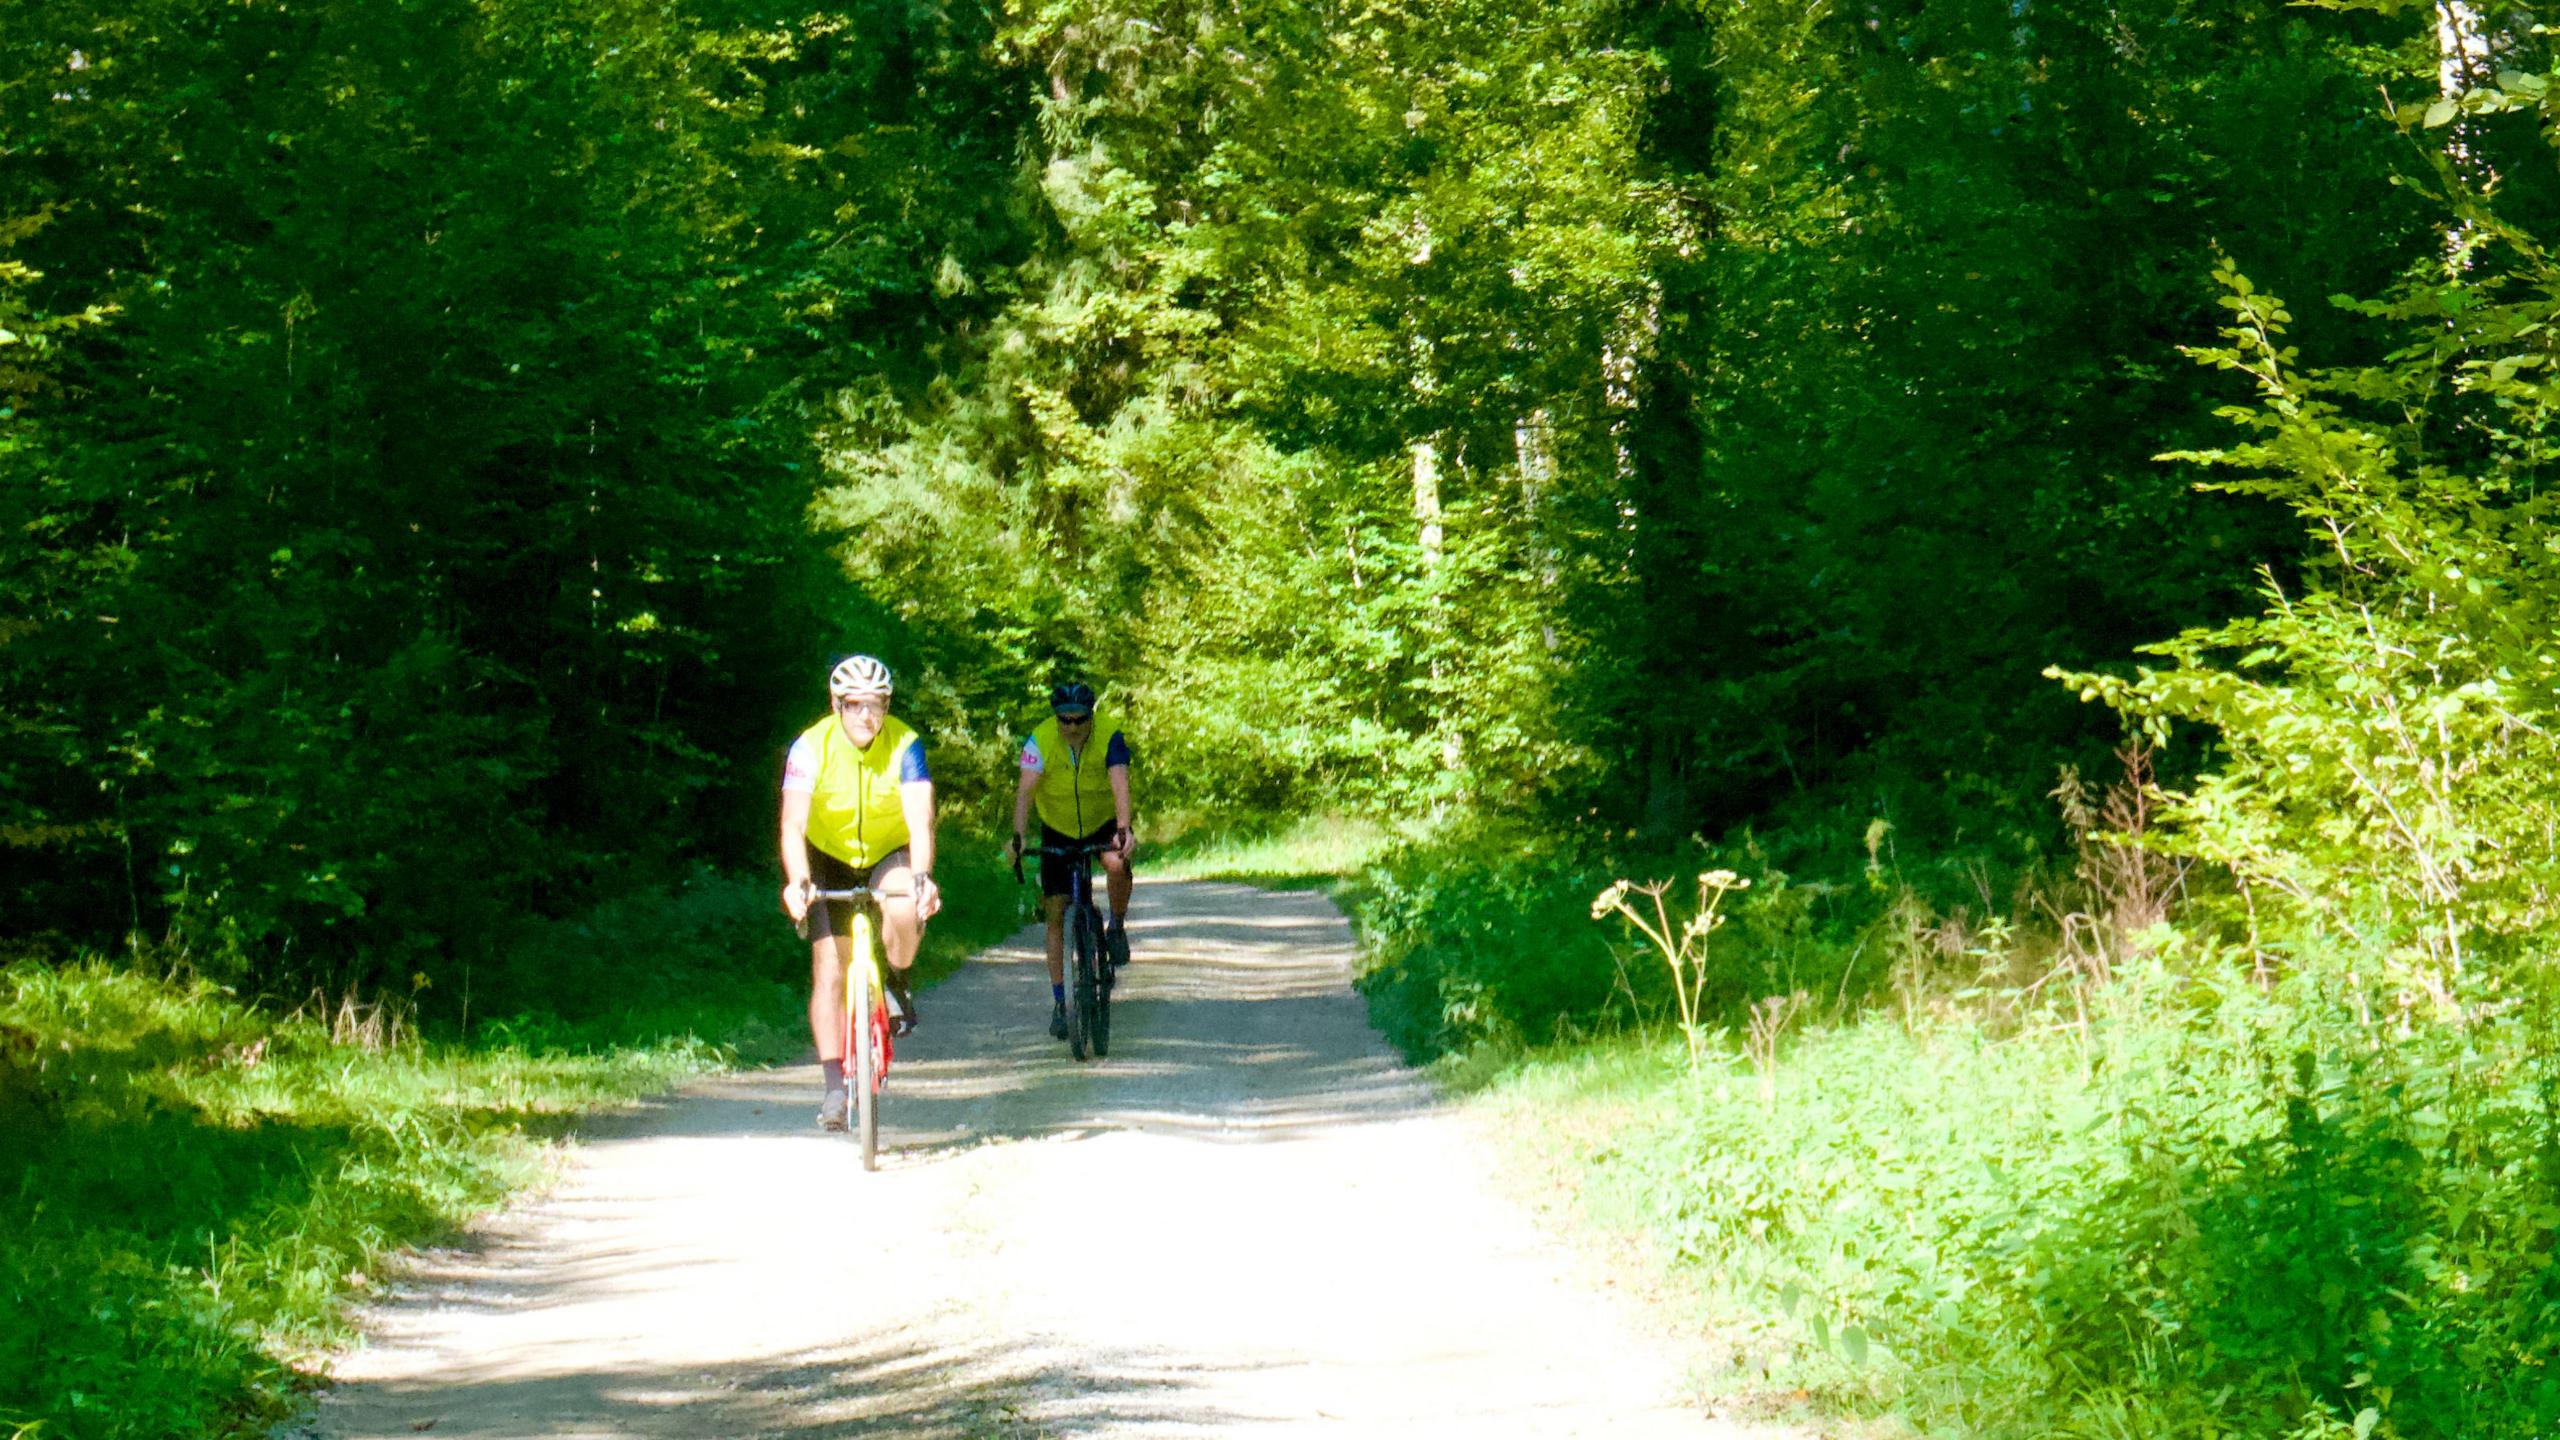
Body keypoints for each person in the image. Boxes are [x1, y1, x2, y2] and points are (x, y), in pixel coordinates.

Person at [779, 654, 941, 1131]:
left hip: (888, 851)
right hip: (828, 856)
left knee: (905, 905)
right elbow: (792, 825)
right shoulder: (809, 748)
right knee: (830, 969)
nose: (867, 716)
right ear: (837, 705)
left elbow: (919, 820)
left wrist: (922, 876)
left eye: (878, 705)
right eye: (855, 706)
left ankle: (895, 979)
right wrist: (797, 881)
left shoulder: (906, 744)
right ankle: (834, 1087)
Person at [1009, 681, 1134, 1039]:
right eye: (1065, 721)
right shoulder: (1040, 740)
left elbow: (1119, 784)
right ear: (1056, 719)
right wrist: (1018, 837)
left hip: (1101, 821)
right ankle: (1061, 1003)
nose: (1073, 728)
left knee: (1115, 863)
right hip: (1058, 827)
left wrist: (1123, 829)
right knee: (1055, 912)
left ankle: (1117, 927)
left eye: (1080, 720)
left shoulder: (1110, 736)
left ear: (1090, 717)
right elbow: (1025, 792)